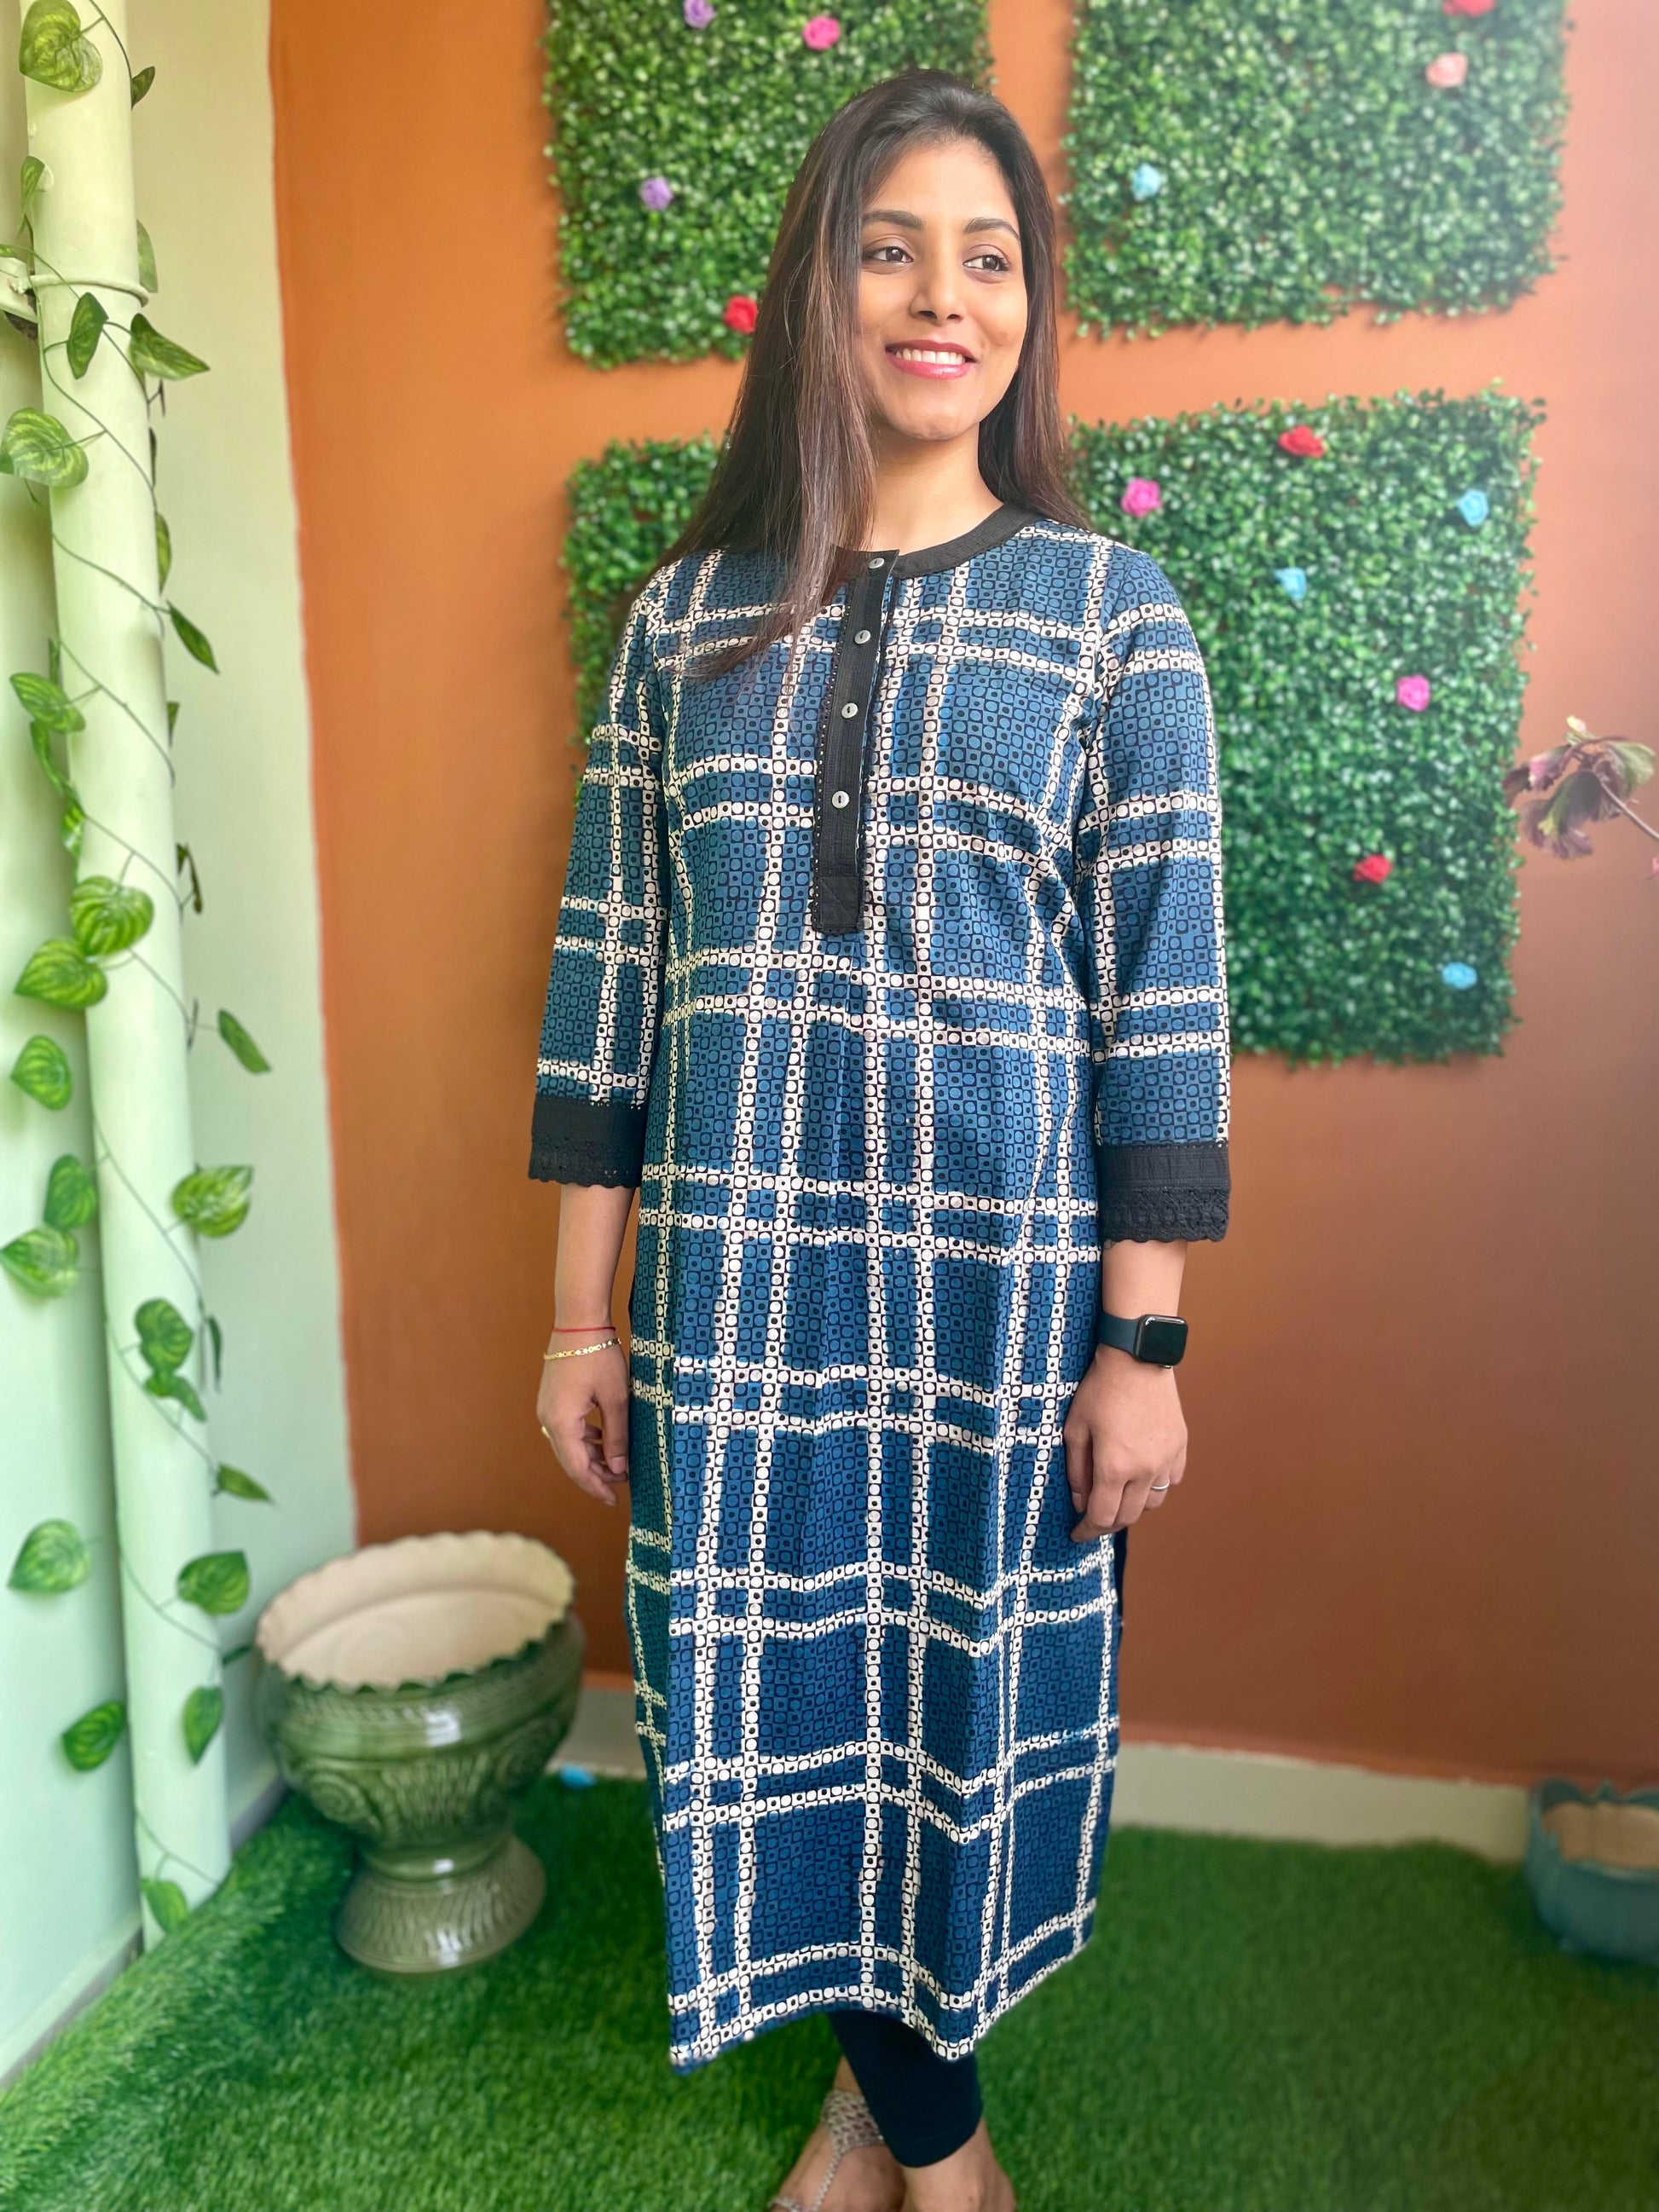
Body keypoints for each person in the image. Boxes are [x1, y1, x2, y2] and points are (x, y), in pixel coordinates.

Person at [529, 69, 1230, 2212]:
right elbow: (606, 985)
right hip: (734, 1294)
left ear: (1030, 306)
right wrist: (580, 1321)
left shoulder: (1114, 615)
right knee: (767, 1703)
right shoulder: (683, 622)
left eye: (988, 258)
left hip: (995, 1303)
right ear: (817, 291)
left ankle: (896, 2115)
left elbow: (1164, 1014)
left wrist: (1144, 1344)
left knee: (948, 1717)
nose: (945, 298)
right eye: (892, 249)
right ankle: (936, 2142)